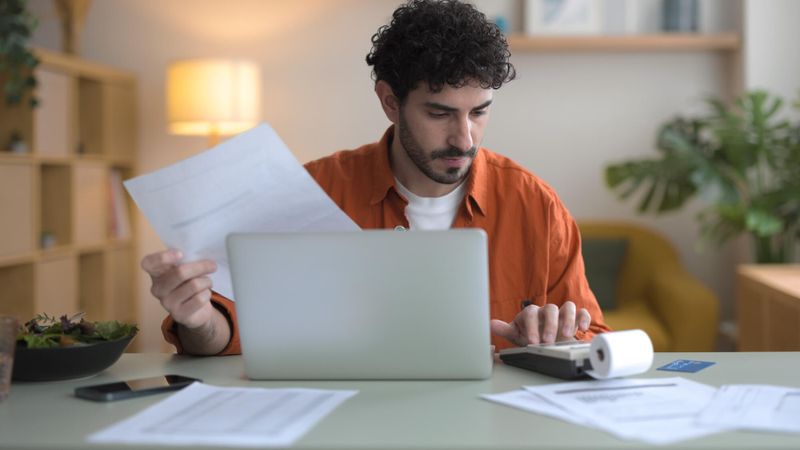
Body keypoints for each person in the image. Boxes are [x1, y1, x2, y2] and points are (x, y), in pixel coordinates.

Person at [141, 0, 611, 356]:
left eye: (480, 112)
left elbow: (593, 337)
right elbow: (230, 338)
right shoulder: (311, 192)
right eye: (439, 113)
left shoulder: (536, 205)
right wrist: (198, 319)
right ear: (389, 101)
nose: (464, 138)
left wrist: (560, 335)